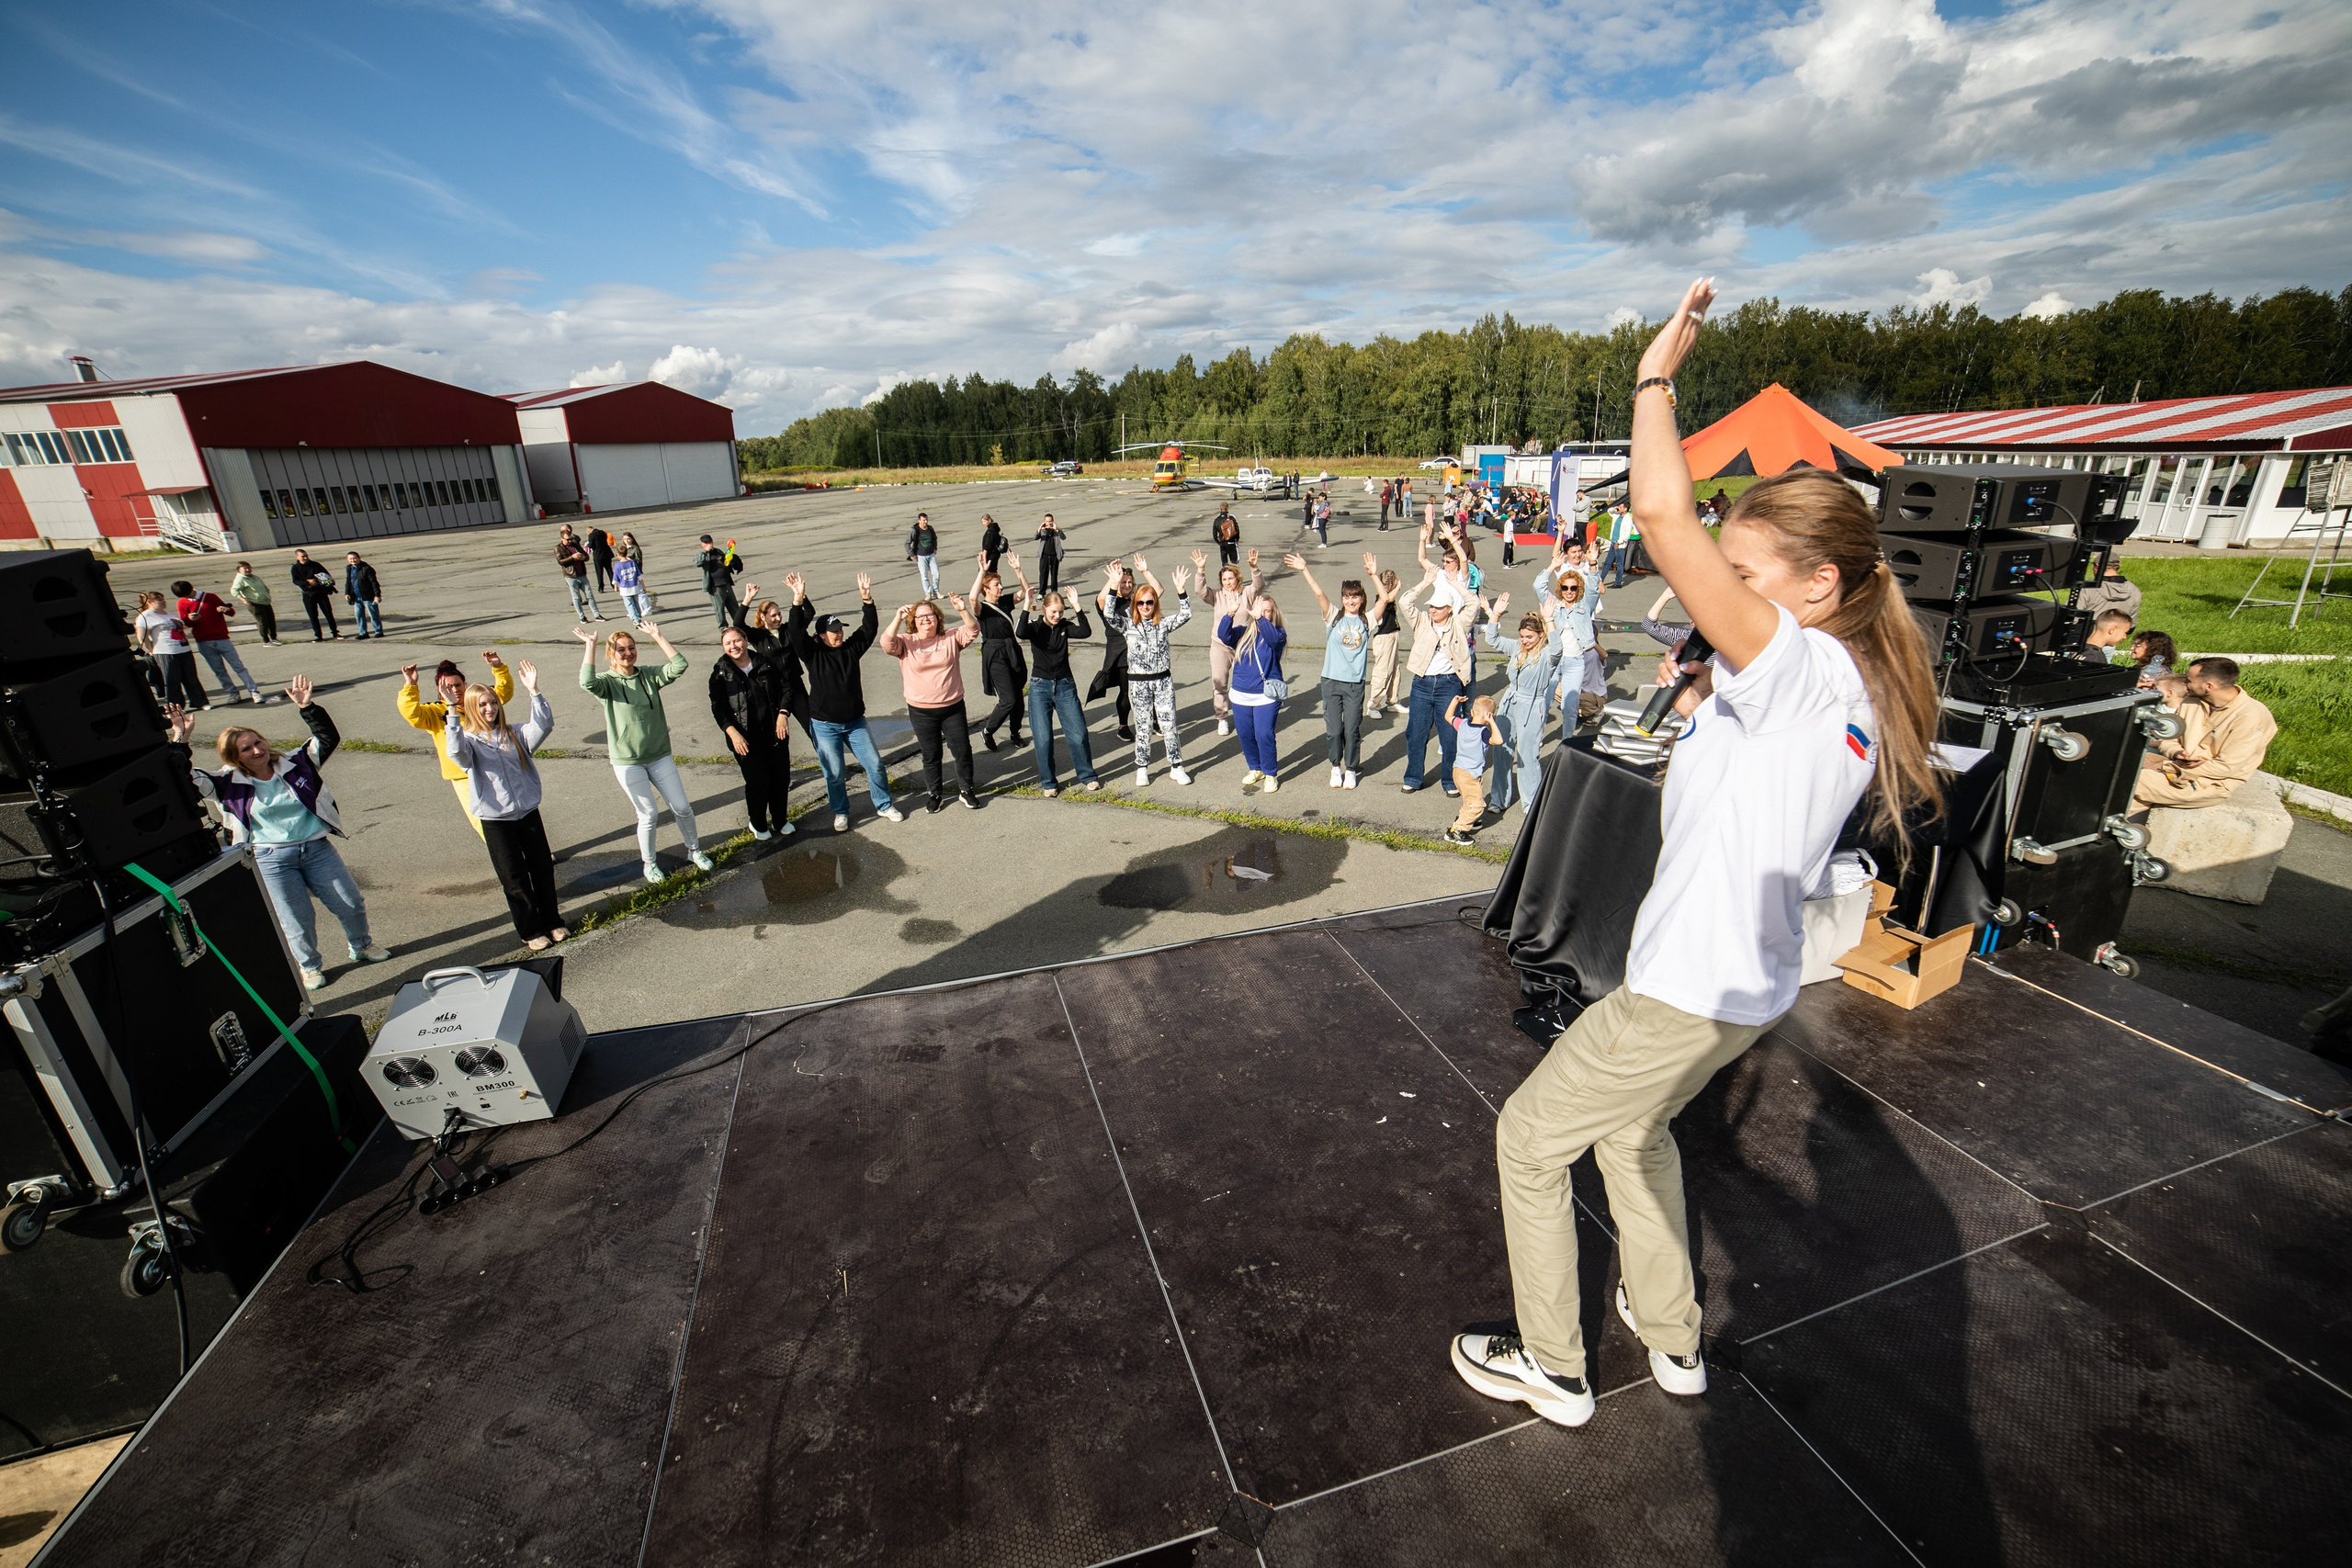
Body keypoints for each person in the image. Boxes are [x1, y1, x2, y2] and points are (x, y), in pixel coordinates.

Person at [1453, 278, 1942, 1430]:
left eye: (1745, 576)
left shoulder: (1798, 671)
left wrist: (1653, 377)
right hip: (1746, 985)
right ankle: (1671, 1338)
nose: (1713, 596)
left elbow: (1665, 521)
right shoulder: (1850, 682)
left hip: (1685, 986)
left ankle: (1555, 1367)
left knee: (1528, 1142)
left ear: (1817, 588)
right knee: (1634, 1132)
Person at [170, 676, 391, 990]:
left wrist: (307, 707)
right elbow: (183, 779)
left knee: (350, 901)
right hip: (270, 859)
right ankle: (309, 966)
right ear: (235, 757)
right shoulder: (225, 782)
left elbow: (326, 737)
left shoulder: (295, 762)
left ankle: (361, 945)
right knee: (296, 919)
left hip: (316, 849)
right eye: (246, 749)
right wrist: (181, 740)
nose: (257, 750)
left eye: (258, 742)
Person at [576, 620, 712, 884]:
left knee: (682, 807)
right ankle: (649, 864)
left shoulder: (648, 675)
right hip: (628, 762)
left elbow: (679, 666)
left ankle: (695, 850)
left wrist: (658, 636)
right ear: (611, 654)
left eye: (631, 648)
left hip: (659, 755)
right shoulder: (607, 683)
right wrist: (590, 646)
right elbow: (586, 682)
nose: (627, 653)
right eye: (621, 650)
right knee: (648, 814)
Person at [446, 660, 566, 950]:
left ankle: (553, 922)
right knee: (514, 879)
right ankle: (530, 930)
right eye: (483, 705)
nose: (490, 709)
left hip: (527, 814)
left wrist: (534, 691)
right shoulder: (470, 741)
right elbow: (456, 754)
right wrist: (452, 712)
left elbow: (544, 725)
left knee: (542, 871)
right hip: (497, 821)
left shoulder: (515, 733)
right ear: (473, 708)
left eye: (493, 703)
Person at [784, 571, 905, 830]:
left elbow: (868, 629)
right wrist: (797, 600)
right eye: (833, 631)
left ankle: (883, 805)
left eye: (840, 630)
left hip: (855, 722)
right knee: (835, 773)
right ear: (820, 636)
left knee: (874, 765)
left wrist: (867, 599)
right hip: (824, 725)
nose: (838, 634)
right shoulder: (812, 653)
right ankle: (840, 812)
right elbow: (794, 632)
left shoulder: (850, 650)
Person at [879, 593, 982, 812]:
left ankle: (966, 790)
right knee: (931, 754)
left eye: (930, 615)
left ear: (938, 617)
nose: (925, 619)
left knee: (962, 750)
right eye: (919, 617)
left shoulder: (951, 637)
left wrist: (963, 610)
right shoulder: (907, 642)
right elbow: (887, 644)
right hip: (921, 711)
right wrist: (897, 617)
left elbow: (973, 630)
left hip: (952, 707)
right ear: (913, 621)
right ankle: (935, 794)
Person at [2132, 656, 2278, 811]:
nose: (2185, 684)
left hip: (2209, 782)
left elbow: (2226, 767)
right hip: (2175, 765)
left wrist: (2166, 766)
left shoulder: (2250, 717)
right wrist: (2175, 753)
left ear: (2209, 686)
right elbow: (2170, 739)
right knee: (2115, 761)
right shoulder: (2191, 701)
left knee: (2131, 780)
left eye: (2189, 680)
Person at [399, 652, 515, 838]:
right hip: (463, 776)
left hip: (491, 767)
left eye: (458, 685)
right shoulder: (433, 711)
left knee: (511, 810)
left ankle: (529, 852)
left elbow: (502, 694)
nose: (454, 690)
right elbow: (411, 714)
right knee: (482, 820)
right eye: (448, 686)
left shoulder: (475, 702)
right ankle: (510, 858)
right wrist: (410, 686)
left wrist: (498, 668)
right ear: (439, 690)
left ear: (465, 685)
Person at [708, 624, 798, 841]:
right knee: (758, 782)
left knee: (780, 778)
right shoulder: (721, 673)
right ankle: (757, 822)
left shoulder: (766, 663)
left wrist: (783, 714)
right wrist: (733, 734)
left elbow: (787, 688)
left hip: (774, 732)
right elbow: (718, 708)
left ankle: (780, 820)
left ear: (745, 640)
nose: (733, 646)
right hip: (744, 738)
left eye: (737, 641)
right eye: (728, 643)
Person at [1398, 564, 1479, 796]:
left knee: (1449, 735)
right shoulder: (1422, 621)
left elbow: (1473, 603)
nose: (1433, 610)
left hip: (1449, 685)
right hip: (1422, 684)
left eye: (1438, 607)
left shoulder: (1459, 624)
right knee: (1416, 732)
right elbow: (1405, 603)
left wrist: (1454, 583)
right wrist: (1425, 583)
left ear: (1449, 609)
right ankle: (1413, 778)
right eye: (1432, 606)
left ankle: (1450, 780)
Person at [1291, 552, 1370, 789]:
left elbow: (1385, 599)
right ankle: (1336, 767)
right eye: (1347, 597)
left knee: (1352, 730)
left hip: (1355, 684)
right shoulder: (1334, 616)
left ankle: (1352, 768)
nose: (1350, 601)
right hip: (1331, 682)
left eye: (1355, 596)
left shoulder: (1367, 621)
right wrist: (1305, 569)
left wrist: (1374, 575)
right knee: (1335, 731)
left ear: (1361, 598)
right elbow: (1318, 593)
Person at [1119, 554, 1195, 786]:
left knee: (1169, 724)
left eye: (1149, 602)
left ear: (1155, 604)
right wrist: (1114, 586)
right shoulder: (1128, 625)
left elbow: (1186, 614)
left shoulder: (1162, 624)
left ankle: (1176, 766)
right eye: (1140, 603)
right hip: (1139, 683)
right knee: (1142, 727)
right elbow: (1108, 614)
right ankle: (1142, 767)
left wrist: (1181, 591)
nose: (1145, 607)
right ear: (1135, 605)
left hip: (1162, 682)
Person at [1016, 590, 1102, 795]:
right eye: (1054, 612)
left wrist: (1077, 605)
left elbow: (1085, 632)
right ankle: (1049, 782)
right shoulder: (1035, 627)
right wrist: (1026, 605)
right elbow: (1020, 632)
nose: (1057, 616)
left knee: (1079, 734)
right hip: (1040, 687)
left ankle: (1088, 776)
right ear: (1044, 609)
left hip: (1065, 685)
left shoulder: (1065, 627)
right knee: (1043, 739)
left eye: (1061, 612)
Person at [1484, 605, 1566, 814]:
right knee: (1502, 750)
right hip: (1510, 701)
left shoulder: (1548, 655)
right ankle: (1499, 799)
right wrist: (1495, 615)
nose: (1525, 640)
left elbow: (1558, 648)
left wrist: (1549, 619)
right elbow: (1492, 639)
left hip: (1532, 704)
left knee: (1527, 755)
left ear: (1540, 635)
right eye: (1522, 636)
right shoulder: (1517, 648)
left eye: (1529, 637)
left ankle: (1531, 804)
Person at [1217, 582, 1288, 791]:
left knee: (1264, 733)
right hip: (1240, 694)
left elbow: (1274, 640)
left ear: (1273, 614)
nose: (1263, 614)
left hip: (1266, 695)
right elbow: (1224, 635)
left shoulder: (1277, 633)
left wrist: (1259, 618)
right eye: (1260, 610)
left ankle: (1270, 773)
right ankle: (1255, 768)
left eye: (1267, 611)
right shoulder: (1242, 633)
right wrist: (1230, 614)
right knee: (1245, 734)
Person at [969, 556, 1030, 752]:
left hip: (1012, 650)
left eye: (1001, 584)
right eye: (996, 585)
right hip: (995, 655)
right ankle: (988, 730)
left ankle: (1015, 732)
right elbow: (972, 598)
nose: (1001, 587)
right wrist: (982, 572)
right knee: (1008, 699)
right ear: (986, 589)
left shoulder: (1004, 602)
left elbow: (1025, 593)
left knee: (1018, 696)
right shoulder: (982, 609)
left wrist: (1018, 570)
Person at [1204, 550, 1267, 737]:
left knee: (1246, 682)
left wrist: (1254, 568)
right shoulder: (1217, 596)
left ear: (1237, 578)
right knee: (1220, 682)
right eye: (1224, 579)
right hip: (1220, 646)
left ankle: (1248, 714)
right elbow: (1201, 591)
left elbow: (1259, 586)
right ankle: (1222, 718)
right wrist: (1200, 570)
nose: (1227, 582)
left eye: (1230, 578)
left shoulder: (1246, 593)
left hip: (1244, 645)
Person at [174, 578, 265, 705]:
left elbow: (231, 612)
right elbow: (185, 623)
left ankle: (254, 691)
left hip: (222, 638)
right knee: (218, 670)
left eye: (189, 594)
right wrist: (191, 619)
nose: (188, 597)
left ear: (192, 588)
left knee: (238, 667)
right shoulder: (182, 602)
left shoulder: (210, 597)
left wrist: (225, 610)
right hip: (203, 641)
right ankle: (232, 693)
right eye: (185, 596)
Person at [1442, 693, 1502, 843]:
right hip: (1470, 774)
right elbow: (1498, 740)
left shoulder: (1462, 724)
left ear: (1472, 712)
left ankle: (1468, 820)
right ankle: (1456, 831)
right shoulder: (1483, 732)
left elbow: (1448, 716)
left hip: (1458, 771)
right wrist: (1492, 722)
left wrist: (1454, 701)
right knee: (1477, 805)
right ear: (1490, 715)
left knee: (1470, 800)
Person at [135, 590, 209, 712]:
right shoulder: (145, 616)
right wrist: (150, 650)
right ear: (150, 602)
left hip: (183, 649)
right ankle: (176, 707)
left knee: (191, 677)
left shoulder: (168, 613)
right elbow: (142, 637)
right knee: (172, 679)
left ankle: (200, 702)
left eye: (163, 599)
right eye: (159, 599)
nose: (163, 601)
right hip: (165, 651)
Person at [1090, 559, 1137, 739]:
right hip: (1121, 654)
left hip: (1140, 652)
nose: (1126, 585)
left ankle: (1154, 721)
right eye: (1123, 582)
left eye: (1129, 582)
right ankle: (1123, 726)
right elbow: (1101, 600)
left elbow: (1158, 593)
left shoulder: (1136, 601)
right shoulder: (1112, 603)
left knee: (1148, 689)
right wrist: (1112, 579)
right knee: (1127, 691)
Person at [1365, 564, 1405, 719]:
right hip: (1384, 639)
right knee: (1383, 672)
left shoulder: (1387, 596)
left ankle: (1393, 700)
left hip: (1393, 635)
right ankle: (1373, 705)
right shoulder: (1382, 598)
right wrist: (1398, 587)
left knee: (1395, 670)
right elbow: (1389, 597)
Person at [290, 548, 341, 640]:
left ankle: (335, 632)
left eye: (306, 555)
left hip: (321, 593)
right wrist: (307, 583)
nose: (305, 558)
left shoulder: (315, 565)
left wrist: (318, 582)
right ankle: (318, 635)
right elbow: (295, 581)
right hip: (308, 595)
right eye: (303, 556)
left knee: (329, 614)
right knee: (313, 616)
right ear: (297, 557)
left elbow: (327, 576)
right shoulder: (295, 568)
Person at [555, 525, 603, 623]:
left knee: (590, 595)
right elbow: (561, 562)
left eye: (571, 539)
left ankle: (597, 615)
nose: (570, 541)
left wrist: (582, 557)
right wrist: (572, 557)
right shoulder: (558, 548)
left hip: (582, 574)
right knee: (576, 597)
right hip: (571, 576)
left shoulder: (575, 545)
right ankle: (582, 617)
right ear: (562, 539)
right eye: (568, 540)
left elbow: (586, 556)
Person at [697, 535, 743, 629]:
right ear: (702, 544)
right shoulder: (703, 554)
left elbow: (726, 560)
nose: (709, 544)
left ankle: (740, 626)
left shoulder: (718, 551)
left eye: (710, 542)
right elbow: (697, 562)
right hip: (715, 587)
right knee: (719, 609)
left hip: (726, 583)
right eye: (706, 543)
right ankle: (723, 628)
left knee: (734, 607)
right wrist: (706, 551)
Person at [2076, 559, 2142, 624]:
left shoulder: (2087, 587)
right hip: (2118, 631)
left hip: (2088, 632)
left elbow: (2073, 617)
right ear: (2119, 566)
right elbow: (2131, 624)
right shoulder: (2134, 590)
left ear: (2097, 565)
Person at [230, 559, 279, 645]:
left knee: (271, 621)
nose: (248, 570)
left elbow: (264, 587)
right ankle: (266, 641)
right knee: (263, 622)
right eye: (245, 568)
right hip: (254, 604)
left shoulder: (254, 577)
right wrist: (244, 600)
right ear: (239, 570)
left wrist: (266, 594)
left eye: (249, 568)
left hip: (265, 602)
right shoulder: (240, 579)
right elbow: (234, 591)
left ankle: (274, 638)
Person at [343, 550, 384, 639]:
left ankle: (378, 631)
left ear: (359, 558)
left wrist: (377, 595)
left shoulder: (367, 568)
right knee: (359, 616)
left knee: (373, 615)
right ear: (347, 560)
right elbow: (348, 582)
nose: (353, 560)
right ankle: (363, 633)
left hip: (368, 597)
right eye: (350, 559)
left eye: (354, 558)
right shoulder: (349, 568)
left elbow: (374, 583)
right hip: (357, 598)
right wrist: (347, 593)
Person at [906, 512, 943, 598]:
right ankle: (928, 593)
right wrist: (911, 554)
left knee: (936, 574)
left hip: (931, 555)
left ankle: (936, 591)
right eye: (923, 520)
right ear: (919, 520)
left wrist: (935, 548)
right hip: (921, 556)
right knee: (924, 576)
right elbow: (907, 543)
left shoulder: (930, 529)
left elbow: (934, 539)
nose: (925, 522)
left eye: (926, 520)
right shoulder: (915, 530)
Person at [612, 547, 650, 624]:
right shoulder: (632, 563)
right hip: (635, 586)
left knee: (630, 605)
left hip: (625, 589)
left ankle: (636, 620)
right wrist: (644, 587)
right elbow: (640, 576)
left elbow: (616, 578)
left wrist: (615, 587)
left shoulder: (618, 565)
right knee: (636, 603)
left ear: (618, 555)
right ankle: (638, 618)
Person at [1035, 513, 1067, 593]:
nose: (1049, 523)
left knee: (1054, 575)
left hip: (1054, 555)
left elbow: (1063, 537)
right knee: (1043, 575)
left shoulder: (1057, 530)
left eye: (1050, 521)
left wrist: (1056, 530)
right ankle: (1042, 592)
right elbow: (1035, 537)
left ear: (1053, 521)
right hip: (1044, 555)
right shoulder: (1042, 530)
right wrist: (1040, 528)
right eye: (1047, 521)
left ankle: (1054, 591)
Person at [586, 525, 615, 593]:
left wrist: (588, 544)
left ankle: (601, 587)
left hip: (598, 556)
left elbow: (591, 546)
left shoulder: (591, 535)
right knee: (609, 571)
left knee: (599, 573)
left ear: (588, 531)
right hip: (607, 554)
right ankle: (614, 585)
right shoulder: (603, 532)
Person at [1212, 502, 1240, 570]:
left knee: (1224, 563)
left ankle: (1225, 576)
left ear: (1220, 508)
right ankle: (1236, 576)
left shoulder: (1217, 520)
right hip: (1232, 542)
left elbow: (1214, 534)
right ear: (1227, 508)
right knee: (1235, 562)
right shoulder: (1231, 518)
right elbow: (1237, 530)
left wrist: (1219, 542)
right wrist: (1237, 539)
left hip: (1222, 544)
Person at [979, 513, 1005, 577]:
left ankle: (984, 585)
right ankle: (997, 584)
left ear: (989, 520)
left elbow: (988, 544)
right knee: (993, 570)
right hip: (996, 553)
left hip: (990, 554)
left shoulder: (990, 531)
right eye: (982, 522)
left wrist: (984, 554)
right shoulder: (995, 529)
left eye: (985, 521)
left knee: (984, 571)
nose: (983, 523)